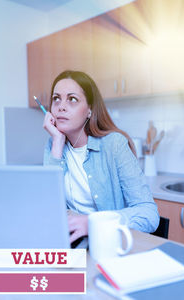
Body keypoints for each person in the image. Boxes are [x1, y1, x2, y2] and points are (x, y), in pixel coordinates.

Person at [43, 70, 159, 244]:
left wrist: (94, 223)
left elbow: (149, 213)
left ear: (89, 110)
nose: (61, 106)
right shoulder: (54, 144)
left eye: (72, 99)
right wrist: (57, 143)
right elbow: (48, 206)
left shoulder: (114, 145)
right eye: (56, 99)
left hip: (112, 243)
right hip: (74, 242)